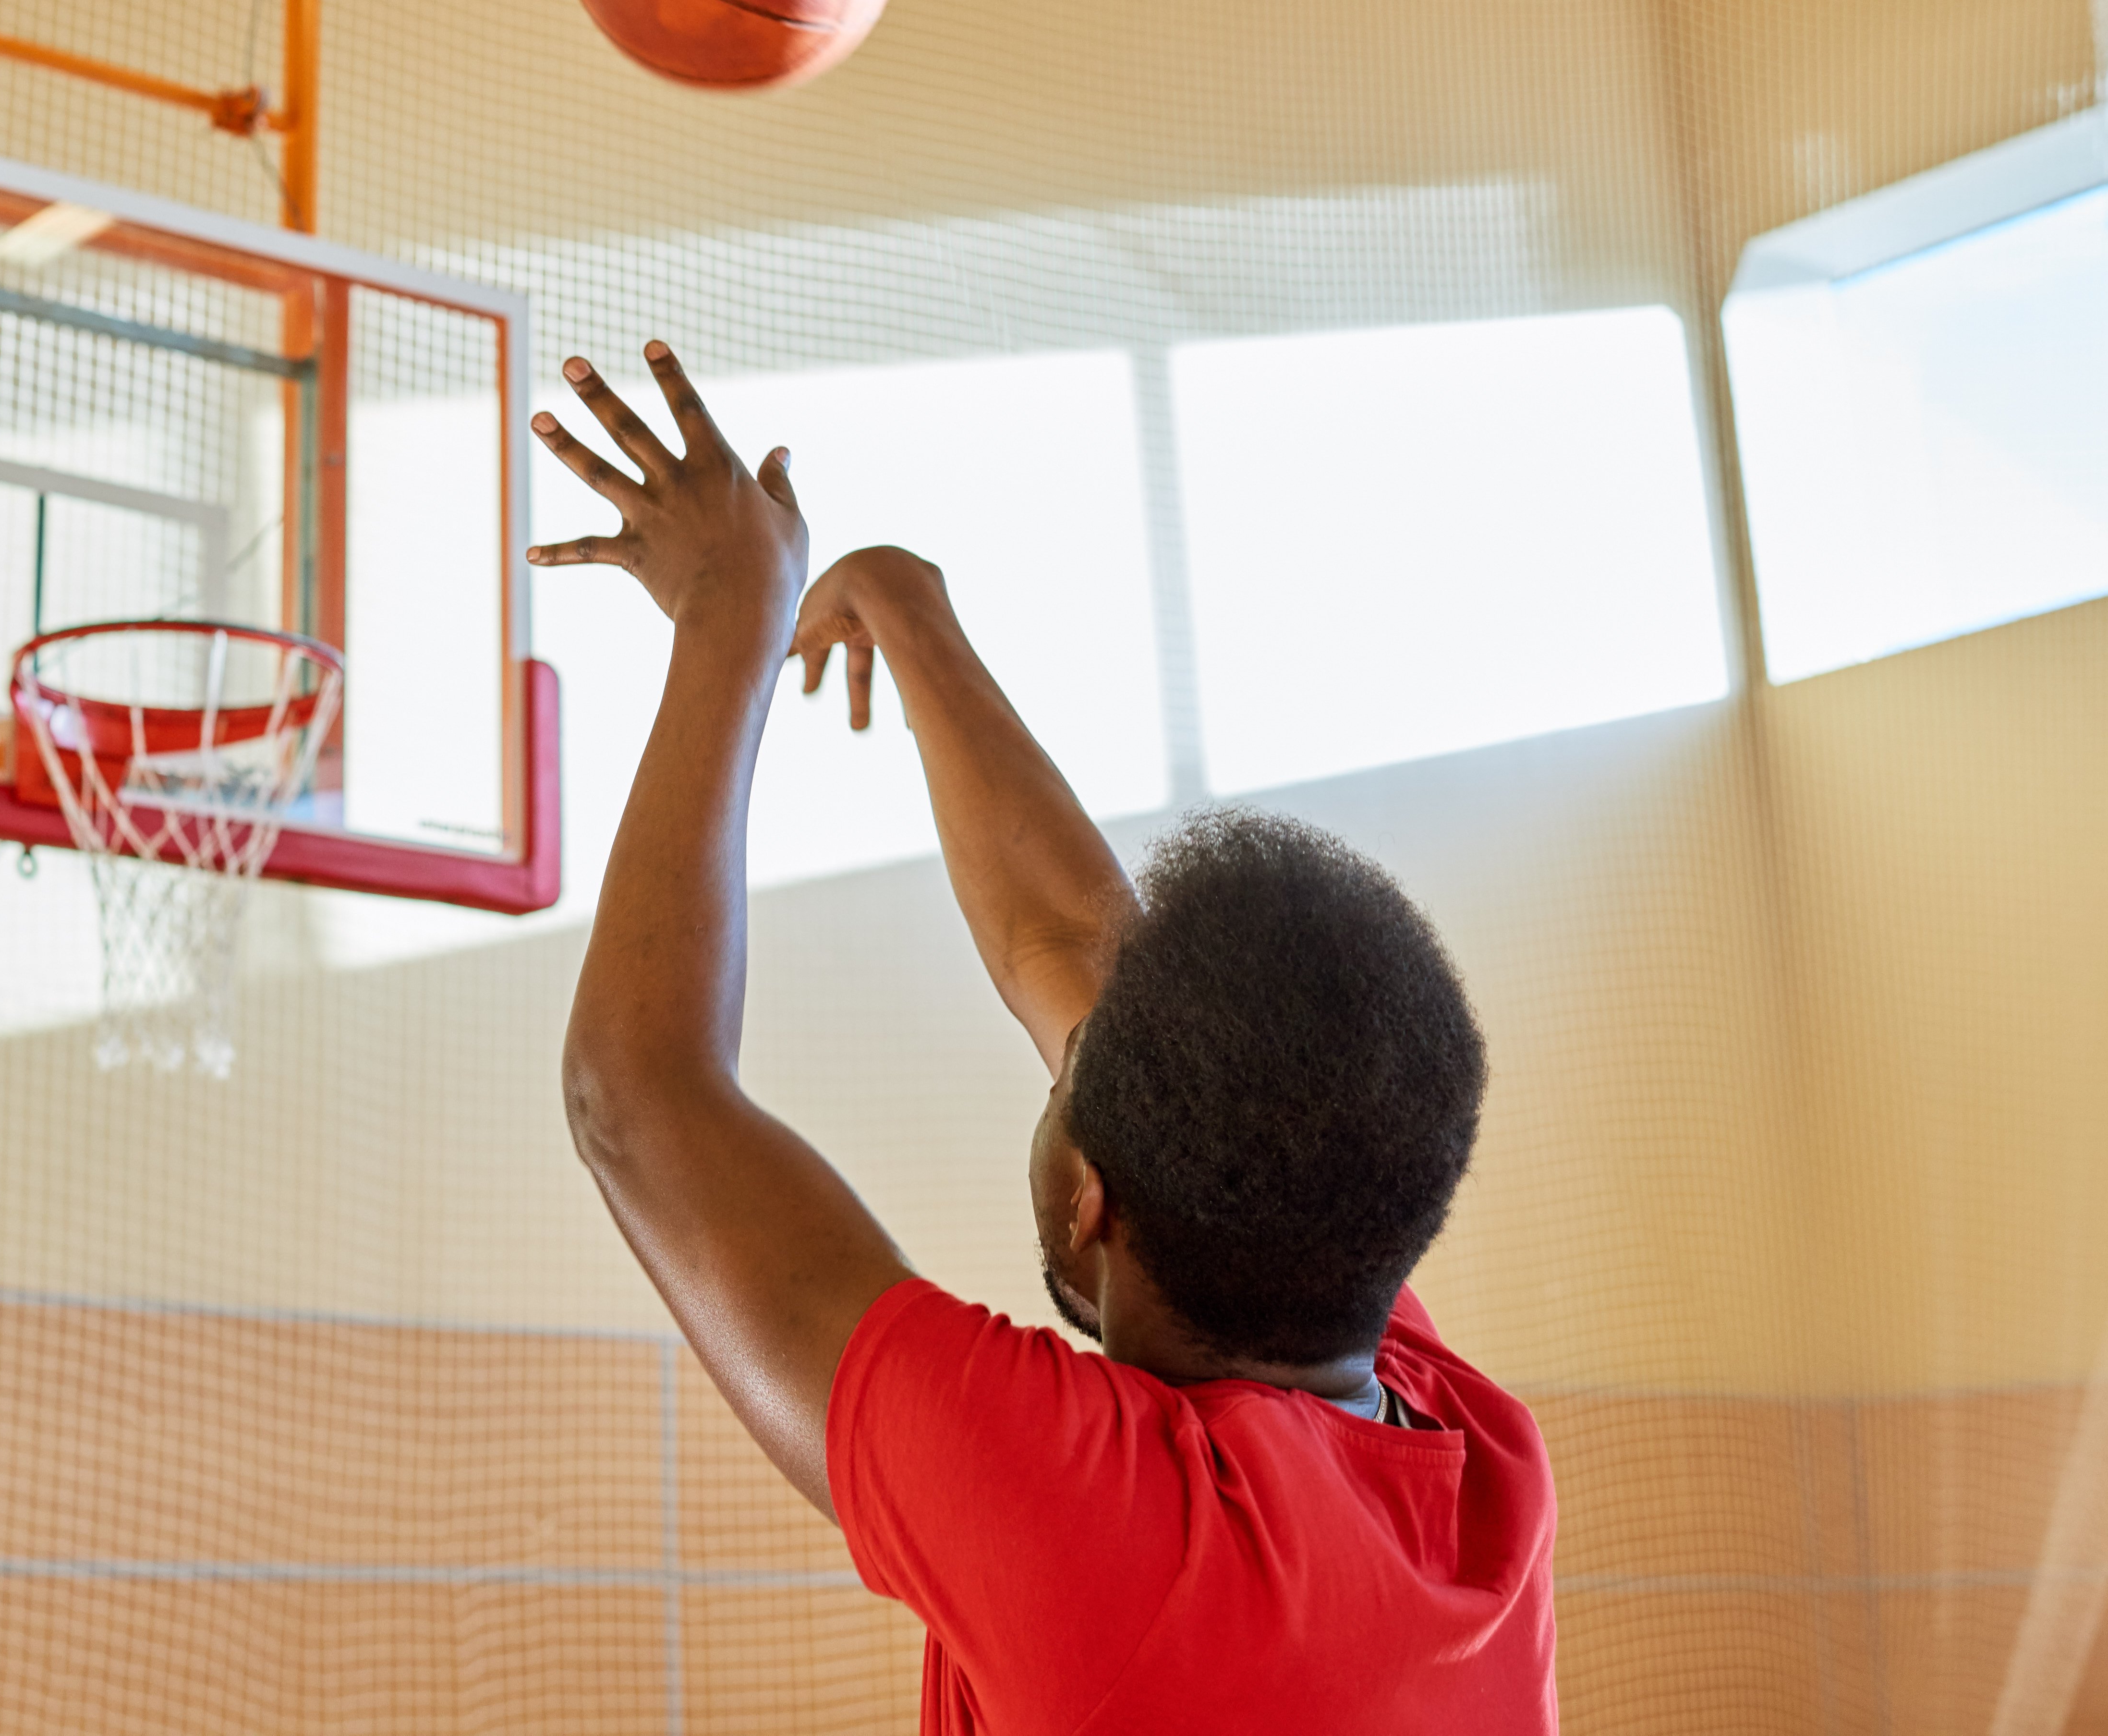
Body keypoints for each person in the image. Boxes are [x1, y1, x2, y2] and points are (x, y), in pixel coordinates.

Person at [528, 342, 1554, 1734]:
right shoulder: (1468, 1461)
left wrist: (732, 610)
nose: (1072, 1033)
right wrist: (900, 606)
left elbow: (635, 1101)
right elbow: (1081, 952)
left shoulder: (1114, 1537)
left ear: (1090, 1205)